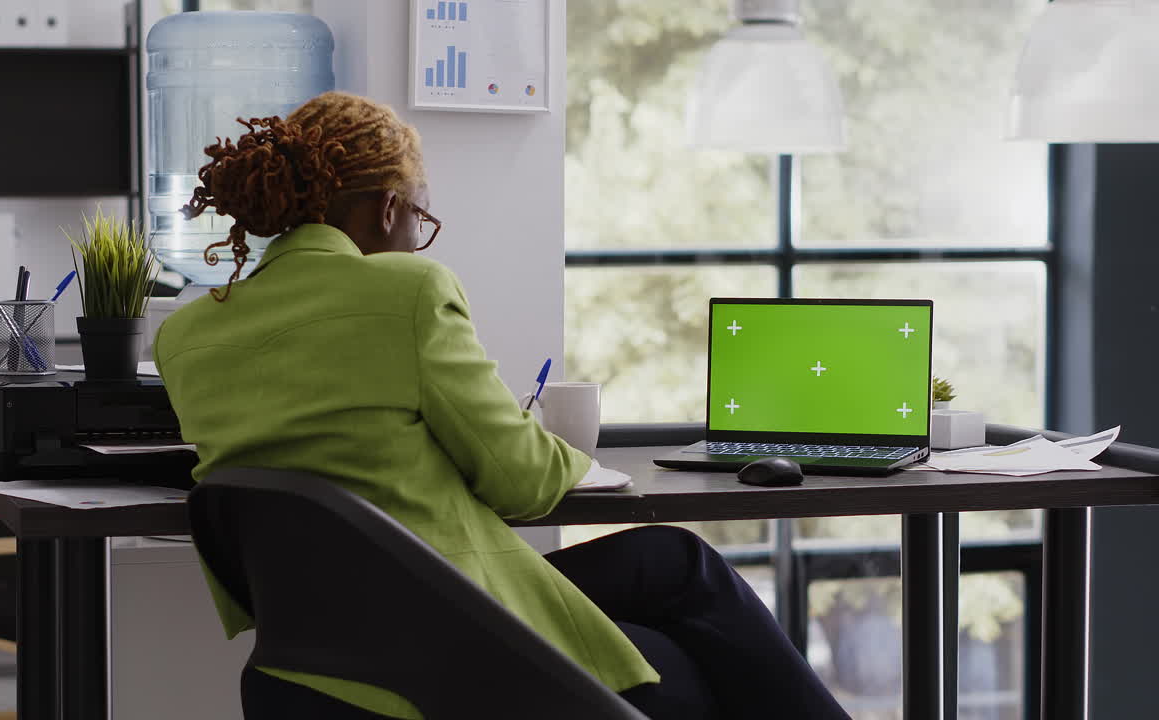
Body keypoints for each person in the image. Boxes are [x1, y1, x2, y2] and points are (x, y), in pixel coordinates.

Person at [154, 91, 850, 720]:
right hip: (448, 656)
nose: (416, 237)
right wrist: (534, 439)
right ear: (390, 208)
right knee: (704, 664)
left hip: (306, 665)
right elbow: (521, 482)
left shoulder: (185, 336)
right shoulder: (406, 291)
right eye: (418, 216)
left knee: (676, 562)